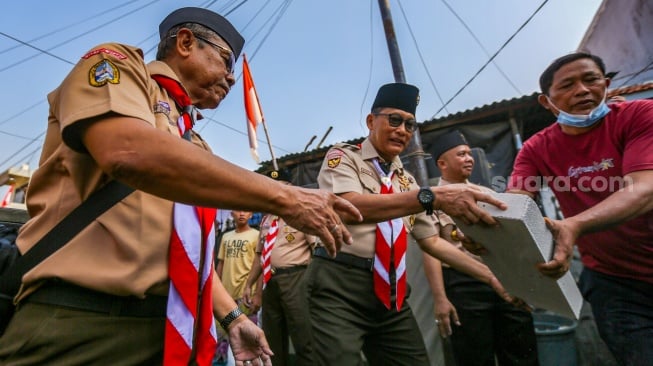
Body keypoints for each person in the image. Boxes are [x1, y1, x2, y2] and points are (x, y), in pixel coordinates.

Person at [0, 7, 361, 365]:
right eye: (225, 60)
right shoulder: (121, 66)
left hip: (171, 328)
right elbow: (126, 149)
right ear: (186, 42)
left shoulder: (194, 145)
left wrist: (232, 317)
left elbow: (190, 253)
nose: (232, 79)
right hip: (81, 320)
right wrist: (284, 197)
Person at [309, 82, 520, 366]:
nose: (402, 130)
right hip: (339, 286)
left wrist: (491, 276)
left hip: (391, 292)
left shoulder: (408, 182)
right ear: (371, 121)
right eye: (394, 120)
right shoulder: (345, 157)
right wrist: (430, 196)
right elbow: (349, 207)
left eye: (410, 125)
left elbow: (432, 241)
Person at [504, 52, 653, 366]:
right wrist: (496, 244)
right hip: (616, 284)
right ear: (547, 102)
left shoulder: (640, 115)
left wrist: (573, 225)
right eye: (567, 85)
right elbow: (515, 207)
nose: (582, 90)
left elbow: (645, 189)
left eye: (591, 79)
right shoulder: (535, 148)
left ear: (607, 85)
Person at [422, 130, 538, 366]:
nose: (469, 158)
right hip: (463, 285)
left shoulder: (488, 194)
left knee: (520, 352)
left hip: (506, 277)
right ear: (442, 164)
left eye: (469, 154)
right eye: (461, 154)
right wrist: (440, 298)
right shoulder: (431, 200)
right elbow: (430, 248)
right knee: (474, 357)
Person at [243, 169, 316, 366]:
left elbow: (316, 251)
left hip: (296, 279)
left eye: (283, 187)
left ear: (291, 189)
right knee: (272, 340)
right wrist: (251, 285)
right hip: (270, 282)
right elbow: (261, 256)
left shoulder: (301, 215)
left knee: (304, 337)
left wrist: (313, 285)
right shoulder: (267, 220)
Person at [215, 210, 262, 366]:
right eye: (238, 210)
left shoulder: (256, 235)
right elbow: (220, 264)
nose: (242, 214)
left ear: (251, 215)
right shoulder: (226, 237)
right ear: (231, 214)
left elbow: (260, 265)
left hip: (246, 297)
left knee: (247, 338)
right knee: (221, 337)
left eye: (246, 211)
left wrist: (258, 295)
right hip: (226, 296)